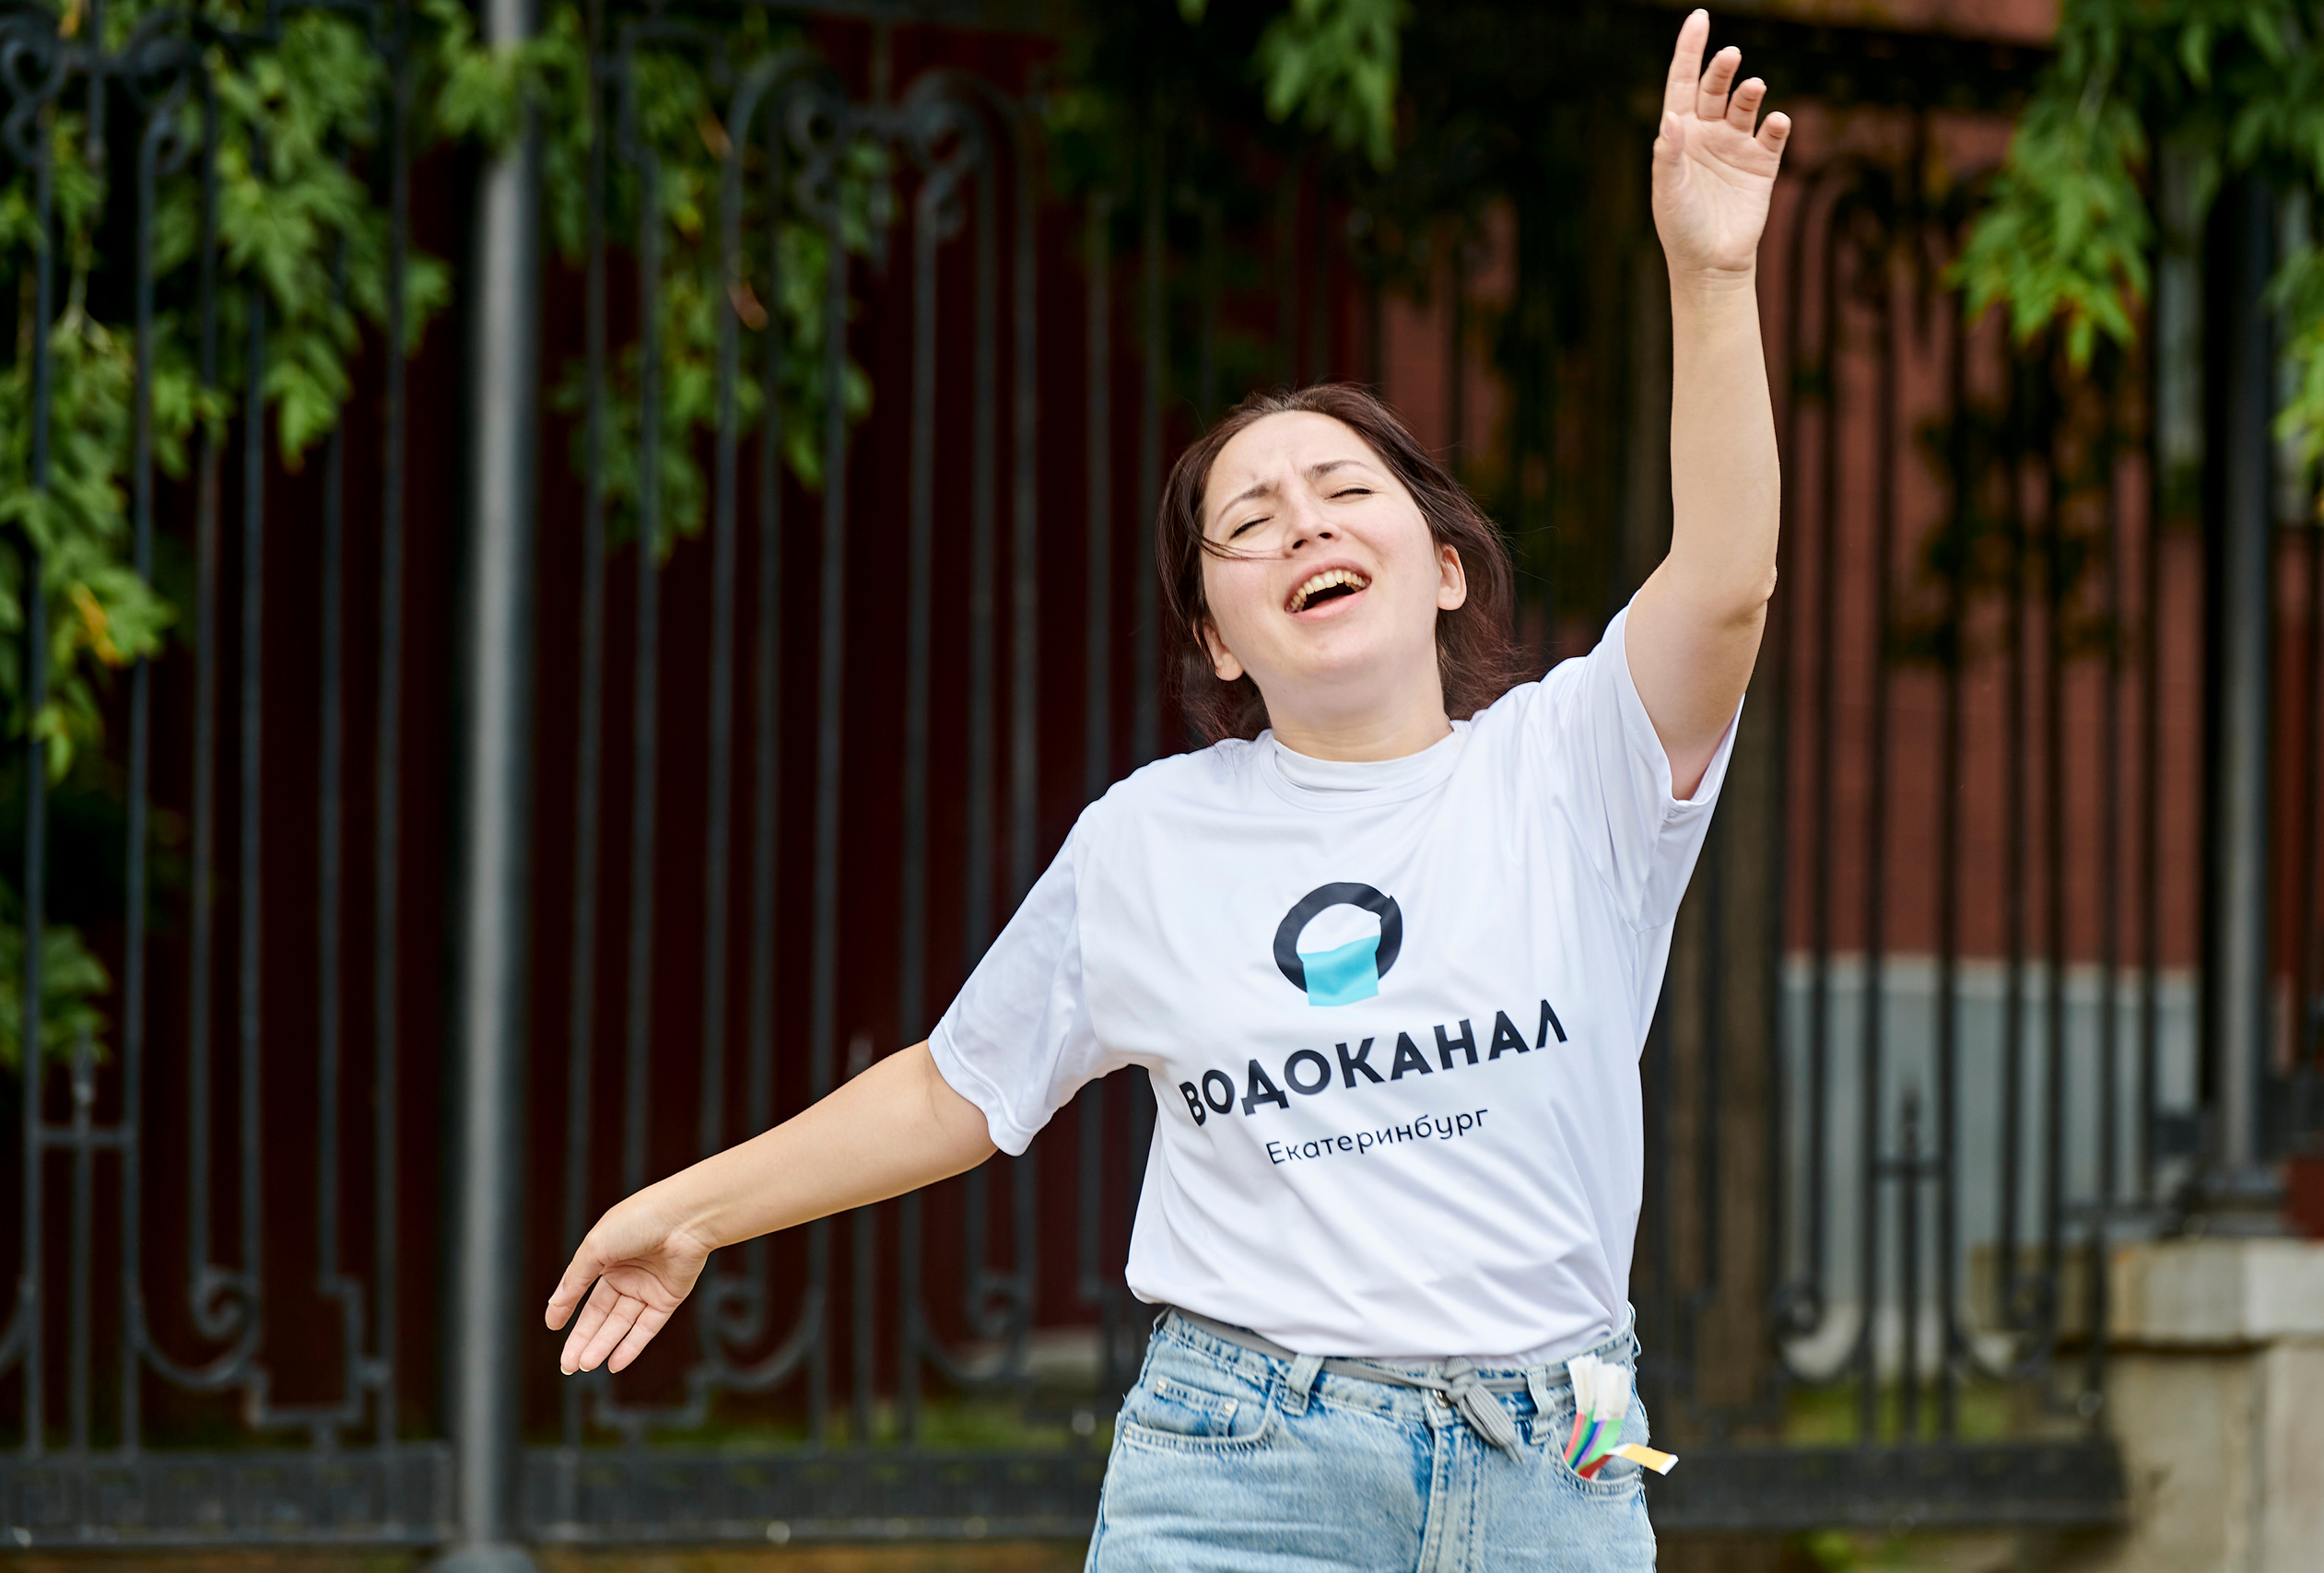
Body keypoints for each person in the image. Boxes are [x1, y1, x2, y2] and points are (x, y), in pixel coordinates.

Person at [545, 11, 1788, 1568]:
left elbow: (1726, 584)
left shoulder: (1575, 763)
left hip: (1560, 1461)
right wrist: (700, 1208)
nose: (1304, 524)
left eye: (1347, 491)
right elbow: (959, 1085)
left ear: (1445, 564)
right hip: (1245, 1465)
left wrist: (1713, 273)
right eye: (1248, 521)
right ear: (1216, 630)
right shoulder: (1150, 838)